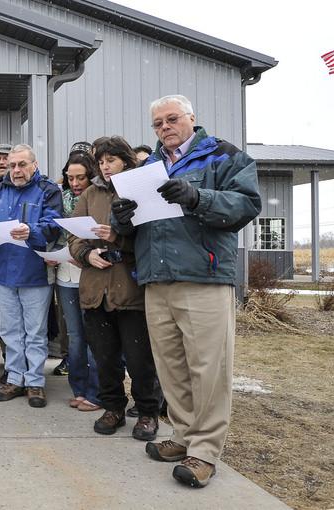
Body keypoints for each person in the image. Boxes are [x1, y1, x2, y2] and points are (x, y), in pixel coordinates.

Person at [112, 94, 261, 488]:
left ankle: (205, 451)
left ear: (192, 118)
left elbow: (246, 205)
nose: (165, 127)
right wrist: (122, 219)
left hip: (203, 277)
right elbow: (137, 225)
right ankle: (182, 435)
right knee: (172, 366)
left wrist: (199, 197)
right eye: (157, 123)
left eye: (172, 118)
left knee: (208, 368)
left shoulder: (224, 156)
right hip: (157, 279)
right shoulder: (148, 168)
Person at [68, 136, 161, 441]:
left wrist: (116, 239)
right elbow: (74, 235)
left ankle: (147, 412)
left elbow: (151, 237)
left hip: (129, 289)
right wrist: (87, 253)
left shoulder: (139, 190)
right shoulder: (90, 194)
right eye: (101, 161)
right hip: (95, 289)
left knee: (138, 359)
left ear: (126, 159)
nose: (105, 166)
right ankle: (113, 408)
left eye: (111, 160)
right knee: (104, 357)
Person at [0, 144, 61, 408]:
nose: (16, 170)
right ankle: (15, 377)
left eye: (22, 165)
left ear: (34, 165)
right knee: (10, 330)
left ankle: (35, 381)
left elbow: (54, 225)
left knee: (35, 331)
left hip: (35, 271)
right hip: (4, 271)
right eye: (12, 165)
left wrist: (33, 231)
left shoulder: (48, 190)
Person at [48, 151, 101, 413]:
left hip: (92, 275)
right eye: (70, 178)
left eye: (81, 178)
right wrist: (52, 253)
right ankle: (78, 388)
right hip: (65, 275)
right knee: (75, 337)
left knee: (94, 336)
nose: (75, 183)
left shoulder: (98, 199)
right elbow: (55, 233)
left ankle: (96, 391)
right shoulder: (61, 199)